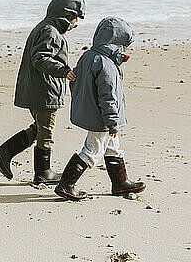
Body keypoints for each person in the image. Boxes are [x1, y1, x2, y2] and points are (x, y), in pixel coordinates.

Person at [0, 0, 86, 185]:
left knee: (40, 128)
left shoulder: (46, 27)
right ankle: (43, 171)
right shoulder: (50, 31)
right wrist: (63, 71)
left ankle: (5, 151)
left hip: (39, 89)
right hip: (44, 91)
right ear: (66, 15)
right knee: (46, 132)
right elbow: (40, 58)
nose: (75, 24)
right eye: (75, 19)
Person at [54, 16, 145, 200]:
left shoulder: (87, 56)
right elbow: (108, 98)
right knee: (93, 150)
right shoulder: (107, 65)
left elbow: (75, 83)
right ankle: (66, 184)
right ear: (116, 42)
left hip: (91, 112)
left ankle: (120, 183)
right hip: (102, 118)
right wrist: (112, 123)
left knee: (113, 148)